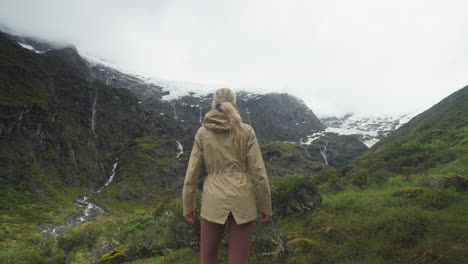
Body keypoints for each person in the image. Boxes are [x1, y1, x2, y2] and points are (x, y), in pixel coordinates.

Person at [182, 88, 273, 264]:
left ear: (214, 103)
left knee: (208, 259)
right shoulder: (246, 131)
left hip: (213, 200)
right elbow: (258, 173)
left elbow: (192, 174)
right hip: (242, 198)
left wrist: (188, 206)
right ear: (234, 103)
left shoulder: (203, 133)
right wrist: (266, 207)